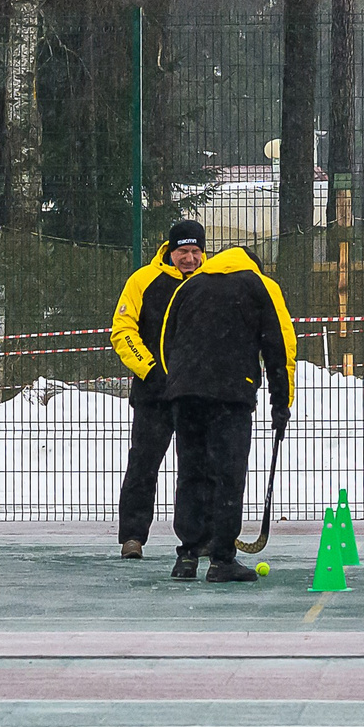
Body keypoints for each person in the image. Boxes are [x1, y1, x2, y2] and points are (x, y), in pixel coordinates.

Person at [154, 240, 295, 583]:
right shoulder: (260, 286)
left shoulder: (190, 286)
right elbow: (280, 347)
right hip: (230, 396)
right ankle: (222, 559)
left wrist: (179, 383)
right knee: (228, 475)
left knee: (191, 472)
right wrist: (281, 402)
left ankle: (187, 555)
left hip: (186, 394)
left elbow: (166, 342)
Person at [109, 219, 205, 558]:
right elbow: (123, 331)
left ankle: (198, 538)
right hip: (153, 394)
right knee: (143, 465)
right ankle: (132, 537)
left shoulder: (212, 282)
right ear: (170, 250)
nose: (190, 259)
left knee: (196, 469)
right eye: (183, 251)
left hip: (197, 395)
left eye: (196, 251)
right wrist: (149, 370)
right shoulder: (142, 280)